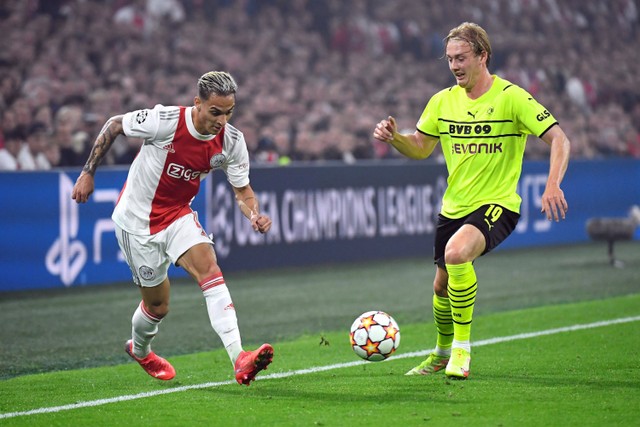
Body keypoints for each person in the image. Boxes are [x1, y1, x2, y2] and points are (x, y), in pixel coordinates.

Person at [373, 22, 570, 380]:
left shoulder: (512, 98)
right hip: (454, 206)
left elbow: (559, 139)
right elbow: (420, 147)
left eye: (461, 58)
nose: (454, 66)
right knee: (441, 285)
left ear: (483, 56)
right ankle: (440, 353)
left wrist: (552, 184)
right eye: (449, 59)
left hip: (498, 204)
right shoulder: (442, 100)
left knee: (456, 253)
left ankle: (461, 352)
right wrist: (394, 139)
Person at [72, 71, 274, 385]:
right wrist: (88, 173)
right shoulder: (164, 121)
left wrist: (253, 214)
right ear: (198, 104)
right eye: (215, 112)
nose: (222, 120)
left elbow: (243, 191)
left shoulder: (232, 142)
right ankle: (140, 350)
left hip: (178, 216)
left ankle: (240, 359)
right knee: (158, 305)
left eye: (229, 112)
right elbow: (114, 124)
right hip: (136, 224)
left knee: (209, 269)